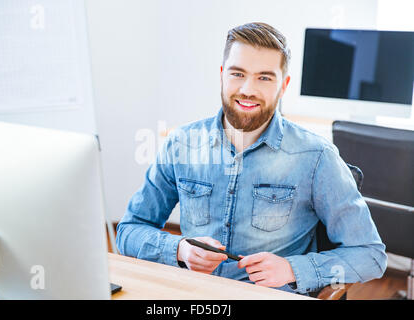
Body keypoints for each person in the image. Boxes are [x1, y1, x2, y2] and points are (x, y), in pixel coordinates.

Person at [116, 22, 387, 295]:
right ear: (222, 75)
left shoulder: (317, 157)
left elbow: (370, 254)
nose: (248, 89)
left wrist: (294, 269)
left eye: (264, 78)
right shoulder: (180, 144)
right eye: (238, 74)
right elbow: (128, 230)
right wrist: (179, 249)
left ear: (283, 87)